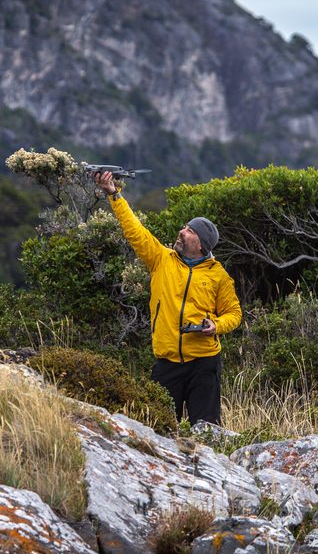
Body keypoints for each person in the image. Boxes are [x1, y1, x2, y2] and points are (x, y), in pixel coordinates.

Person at [93, 171, 242, 425]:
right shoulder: (161, 259)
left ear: (202, 245)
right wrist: (115, 196)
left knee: (205, 431)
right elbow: (135, 231)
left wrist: (216, 325)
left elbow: (234, 314)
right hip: (167, 363)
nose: (182, 232)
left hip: (205, 364)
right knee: (159, 428)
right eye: (184, 226)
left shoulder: (219, 276)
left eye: (189, 230)